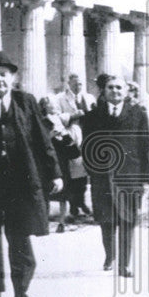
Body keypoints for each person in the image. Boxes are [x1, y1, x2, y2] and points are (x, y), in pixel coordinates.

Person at [0, 51, 62, 297]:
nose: (0, 79)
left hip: (20, 182)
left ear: (13, 77)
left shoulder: (26, 101)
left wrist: (55, 172)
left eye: (4, 75)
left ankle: (21, 294)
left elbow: (42, 139)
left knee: (20, 237)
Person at [81, 75, 149, 276]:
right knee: (106, 220)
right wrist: (92, 172)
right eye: (110, 87)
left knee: (128, 220)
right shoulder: (92, 116)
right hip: (102, 177)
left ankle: (124, 264)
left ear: (127, 91)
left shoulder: (138, 114)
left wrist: (147, 178)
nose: (115, 91)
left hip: (130, 176)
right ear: (104, 91)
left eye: (119, 88)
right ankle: (109, 255)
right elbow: (86, 146)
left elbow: (145, 145)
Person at [53, 73, 95, 219]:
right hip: (71, 138)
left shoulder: (88, 98)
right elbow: (55, 117)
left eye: (80, 84)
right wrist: (72, 116)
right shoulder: (59, 98)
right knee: (73, 174)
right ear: (69, 84)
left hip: (87, 136)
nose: (78, 86)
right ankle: (73, 205)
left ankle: (81, 202)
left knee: (83, 174)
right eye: (75, 84)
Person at [39, 96, 74, 233]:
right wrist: (50, 136)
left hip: (62, 158)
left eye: (54, 104)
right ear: (44, 106)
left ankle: (62, 222)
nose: (54, 106)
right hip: (48, 159)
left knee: (63, 192)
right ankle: (45, 221)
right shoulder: (42, 121)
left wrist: (65, 134)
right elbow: (38, 141)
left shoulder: (59, 120)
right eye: (50, 104)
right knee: (47, 191)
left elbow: (71, 145)